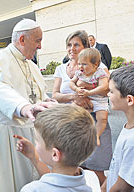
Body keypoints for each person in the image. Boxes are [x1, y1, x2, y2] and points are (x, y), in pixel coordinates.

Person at [0, 18, 56, 192]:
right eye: (38, 41)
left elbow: (38, 96)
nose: (40, 46)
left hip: (31, 131)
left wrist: (48, 103)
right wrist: (24, 107)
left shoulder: (32, 66)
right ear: (22, 40)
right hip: (6, 134)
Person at [52, 30, 112, 185]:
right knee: (74, 170)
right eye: (69, 45)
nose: (71, 48)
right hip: (69, 123)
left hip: (94, 122)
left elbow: (107, 89)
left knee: (96, 169)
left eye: (76, 45)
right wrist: (76, 97)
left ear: (85, 47)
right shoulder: (61, 69)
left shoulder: (98, 66)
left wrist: (86, 88)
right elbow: (55, 95)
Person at [14, 104, 101, 191]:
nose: (35, 143)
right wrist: (35, 158)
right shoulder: (91, 178)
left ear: (55, 154)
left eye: (37, 140)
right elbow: (60, 180)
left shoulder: (31, 189)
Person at [101, 65, 134, 192]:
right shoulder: (128, 126)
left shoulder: (132, 140)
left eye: (111, 91)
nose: (108, 94)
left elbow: (122, 188)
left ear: (129, 100)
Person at [70, 48, 109, 146]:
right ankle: (74, 132)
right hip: (85, 98)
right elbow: (71, 83)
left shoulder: (100, 73)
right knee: (72, 110)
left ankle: (96, 135)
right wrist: (76, 89)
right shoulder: (79, 73)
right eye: (79, 64)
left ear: (95, 65)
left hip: (100, 100)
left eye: (84, 64)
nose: (80, 66)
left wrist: (89, 93)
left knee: (102, 118)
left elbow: (104, 86)